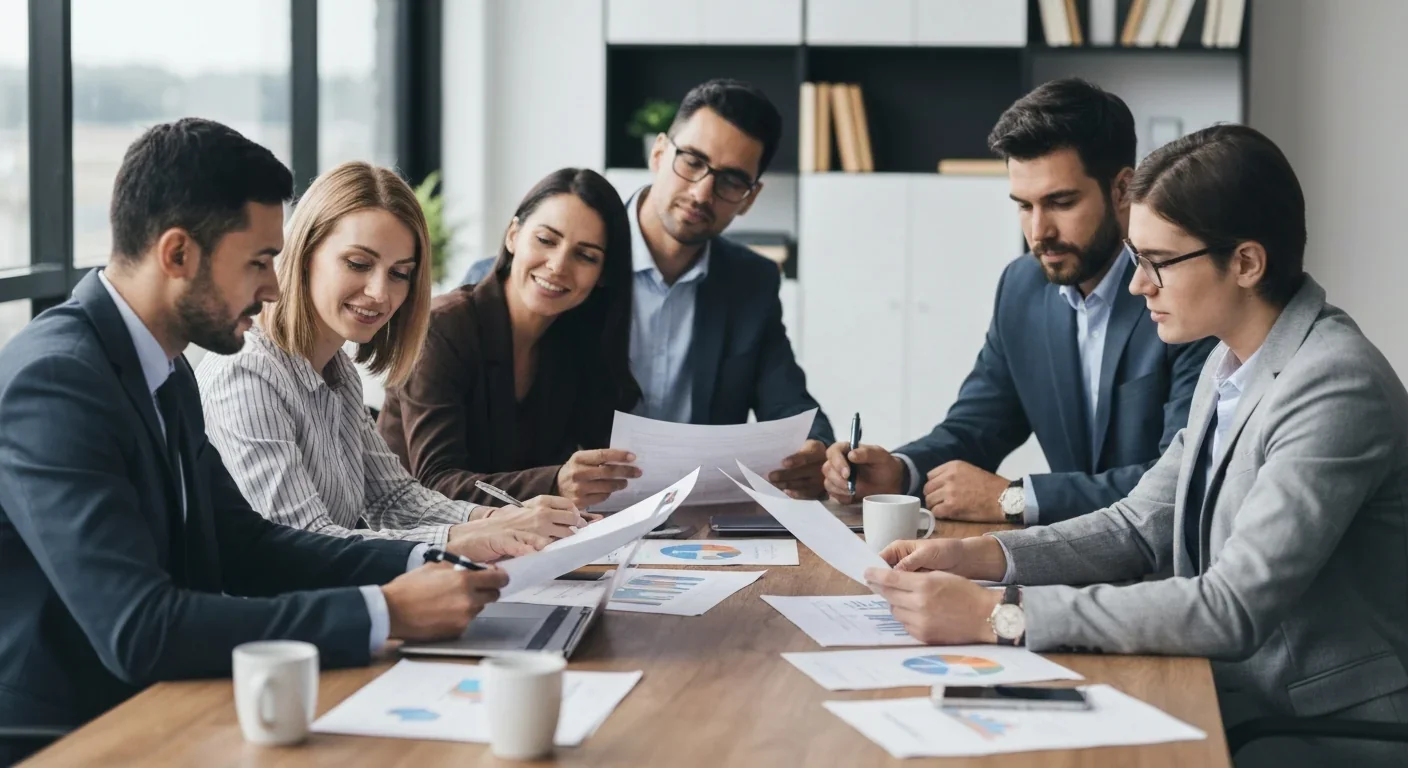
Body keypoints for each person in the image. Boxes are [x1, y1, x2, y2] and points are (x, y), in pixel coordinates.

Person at [864, 125, 1408, 767]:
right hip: (1222, 693)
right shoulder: (1230, 360)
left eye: (1157, 263)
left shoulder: (1333, 385)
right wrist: (977, 557)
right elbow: (1137, 526)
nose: (1135, 285)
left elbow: (1230, 607)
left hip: (1310, 729)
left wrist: (1001, 617)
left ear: (1245, 262)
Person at [0, 119, 510, 763]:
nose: (274, 285)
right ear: (178, 254)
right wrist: (381, 612)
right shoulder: (57, 380)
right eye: (260, 261)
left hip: (171, 703)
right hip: (74, 735)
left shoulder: (165, 367)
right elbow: (139, 628)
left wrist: (419, 567)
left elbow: (246, 543)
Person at [823, 78, 1215, 525]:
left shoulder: (1178, 293)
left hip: (1161, 571)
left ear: (1122, 189)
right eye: (1024, 206)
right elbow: (976, 428)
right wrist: (899, 471)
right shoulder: (1022, 286)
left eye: (1061, 202)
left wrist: (1014, 498)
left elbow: (1179, 480)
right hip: (1066, 561)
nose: (1038, 231)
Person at [463, 79, 834, 499]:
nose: (701, 192)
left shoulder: (751, 283)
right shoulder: (570, 263)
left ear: (750, 197)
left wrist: (816, 448)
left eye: (731, 181)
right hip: (562, 507)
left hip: (695, 513)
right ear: (658, 153)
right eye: (692, 161)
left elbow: (789, 404)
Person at [197, 161, 585, 551]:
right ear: (305, 253)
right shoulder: (248, 371)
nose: (381, 293)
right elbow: (305, 543)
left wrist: (502, 518)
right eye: (358, 264)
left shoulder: (337, 370)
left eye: (400, 273)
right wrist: (464, 537)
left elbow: (395, 499)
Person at [377, 168, 644, 510]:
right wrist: (554, 483)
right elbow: (434, 482)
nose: (558, 266)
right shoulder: (444, 328)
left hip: (515, 547)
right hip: (408, 541)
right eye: (546, 240)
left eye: (585, 255)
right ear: (514, 235)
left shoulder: (571, 344)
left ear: (603, 274)